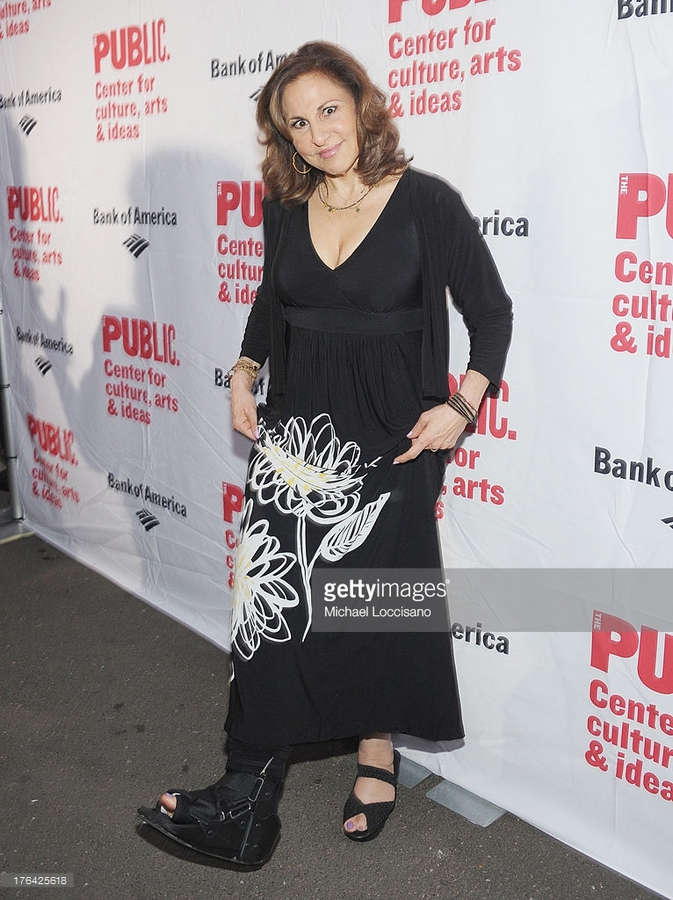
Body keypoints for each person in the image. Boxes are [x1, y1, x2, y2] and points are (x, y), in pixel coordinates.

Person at [137, 40, 512, 866]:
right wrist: (244, 371)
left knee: (366, 606)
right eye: (297, 124)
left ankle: (376, 751)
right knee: (267, 612)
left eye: (327, 110)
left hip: (392, 439)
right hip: (295, 437)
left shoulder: (426, 204)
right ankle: (246, 796)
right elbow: (271, 306)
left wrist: (461, 405)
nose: (317, 133)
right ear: (284, 138)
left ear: (361, 104)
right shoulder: (286, 206)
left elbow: (490, 314)